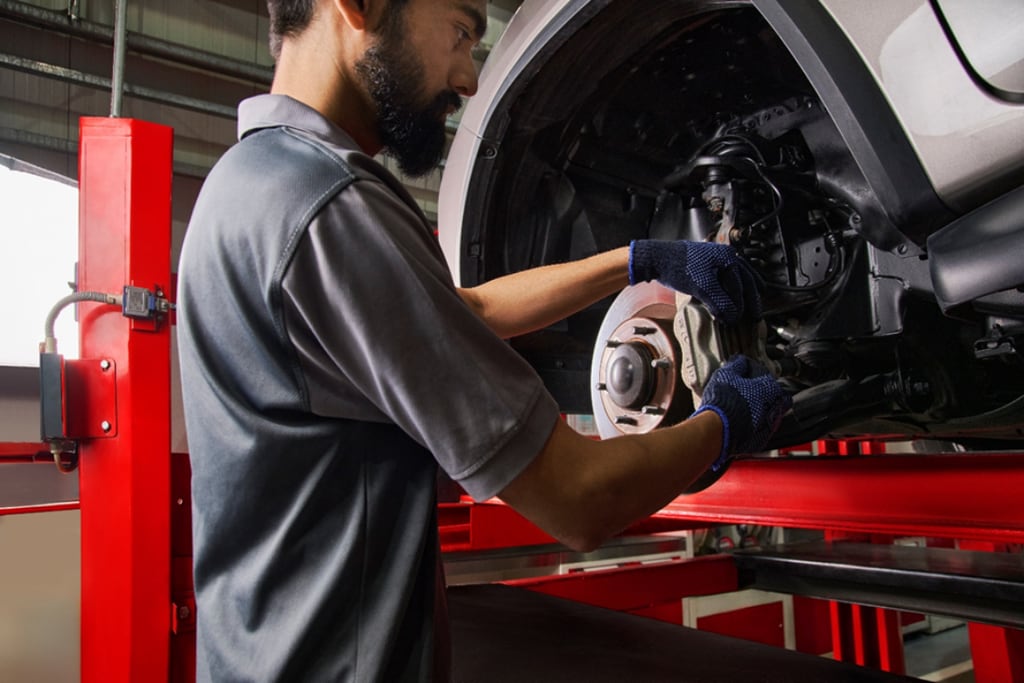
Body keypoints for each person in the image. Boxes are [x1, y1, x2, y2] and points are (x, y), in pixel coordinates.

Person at [176, 0, 792, 680]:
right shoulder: (331, 207)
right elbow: (578, 497)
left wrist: (637, 260)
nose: (468, 79)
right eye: (461, 32)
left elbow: (455, 310)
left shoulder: (247, 186)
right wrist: (723, 422)